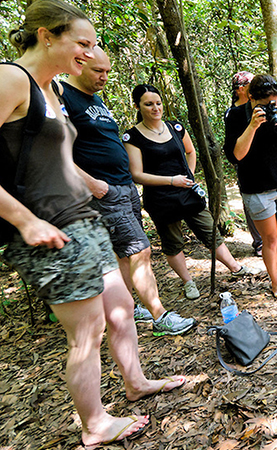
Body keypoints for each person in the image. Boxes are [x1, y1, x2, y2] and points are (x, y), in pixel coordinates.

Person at [0, 1, 185, 446]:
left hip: (84, 220)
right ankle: (95, 424)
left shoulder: (52, 91)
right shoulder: (11, 78)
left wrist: (90, 186)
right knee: (88, 332)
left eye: (94, 43)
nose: (90, 52)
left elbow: (58, 158)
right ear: (47, 36)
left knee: (121, 314)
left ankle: (135, 382)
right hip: (48, 230)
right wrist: (24, 221)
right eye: (82, 43)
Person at [62, 47, 195, 336]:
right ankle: (160, 317)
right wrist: (91, 183)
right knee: (140, 250)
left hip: (123, 187)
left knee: (124, 255)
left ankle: (130, 307)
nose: (104, 77)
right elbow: (53, 150)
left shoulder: (94, 99)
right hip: (103, 191)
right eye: (98, 71)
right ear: (78, 64)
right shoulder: (62, 95)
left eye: (107, 71)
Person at [123, 84, 259, 300]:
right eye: (148, 104)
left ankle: (235, 267)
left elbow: (191, 151)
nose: (155, 108)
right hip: (161, 199)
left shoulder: (175, 127)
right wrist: (171, 181)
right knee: (173, 242)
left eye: (158, 103)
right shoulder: (132, 137)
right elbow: (136, 174)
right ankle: (188, 282)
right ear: (138, 106)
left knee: (209, 230)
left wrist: (189, 175)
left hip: (187, 192)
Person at [223, 74, 277, 301]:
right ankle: (276, 283)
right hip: (258, 190)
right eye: (264, 103)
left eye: (273, 101)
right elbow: (236, 155)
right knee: (270, 240)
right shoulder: (236, 116)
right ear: (250, 97)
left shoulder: (276, 110)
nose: (268, 106)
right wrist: (252, 126)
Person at [225, 71, 263, 257]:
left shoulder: (258, 105)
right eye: (250, 84)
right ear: (241, 89)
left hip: (265, 162)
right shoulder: (232, 114)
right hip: (245, 166)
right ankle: (259, 241)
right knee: (250, 203)